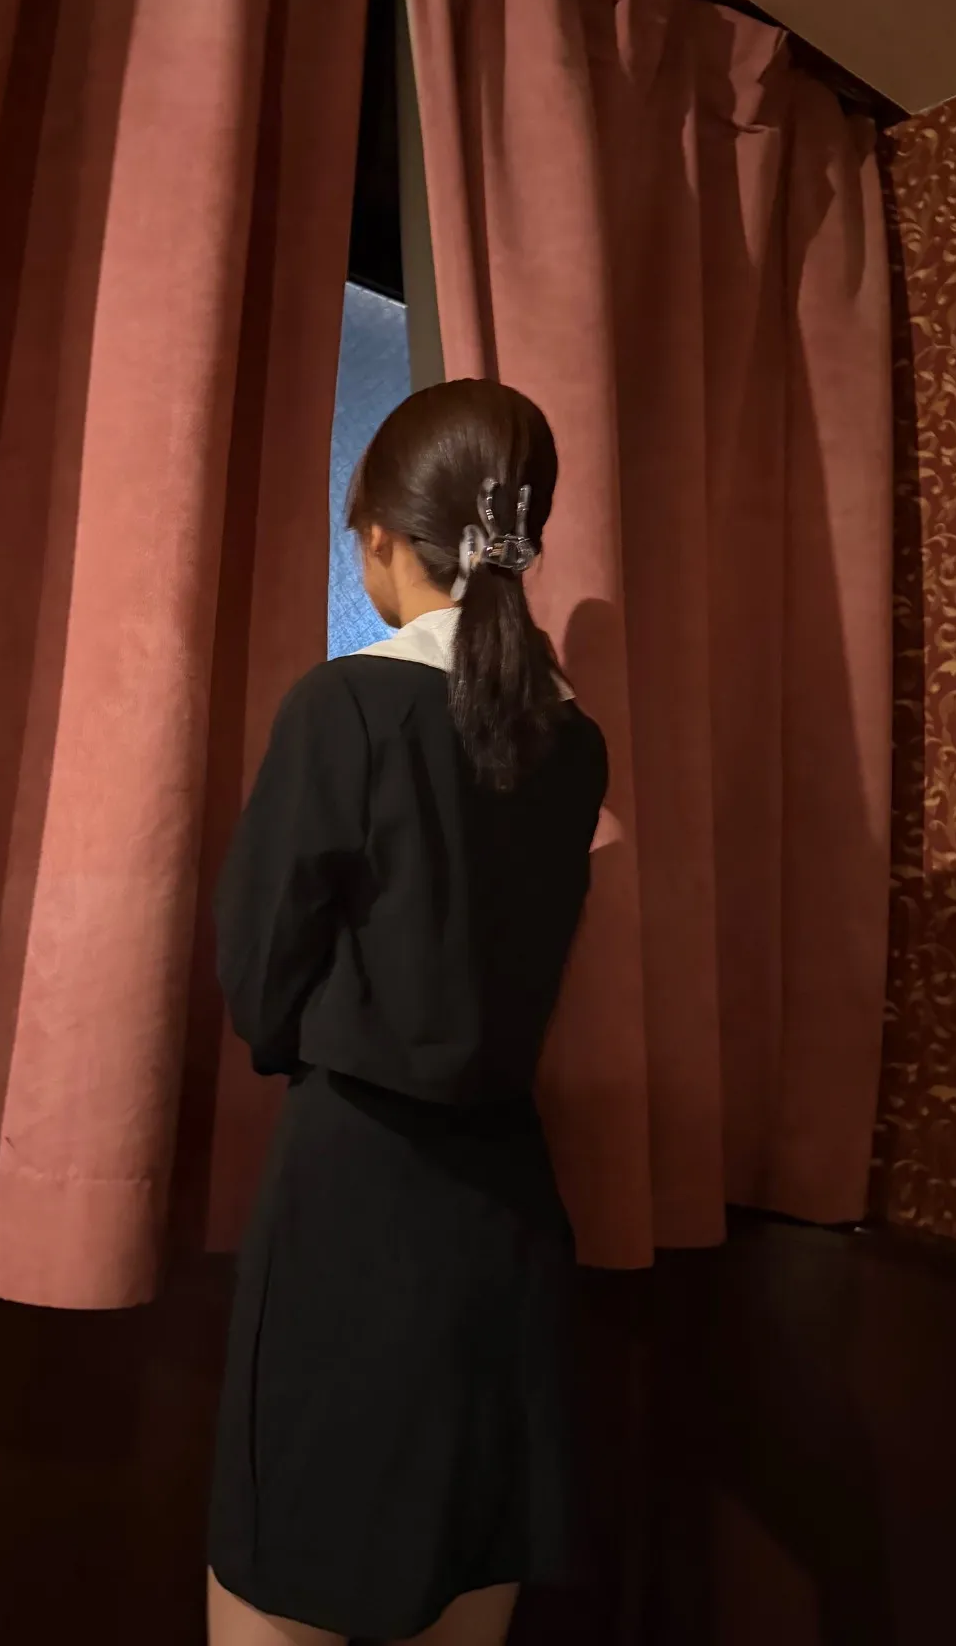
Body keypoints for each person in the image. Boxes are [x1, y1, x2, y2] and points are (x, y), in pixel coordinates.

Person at [205, 379, 609, 1646]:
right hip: (509, 1203)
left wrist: (318, 1041)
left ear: (382, 535)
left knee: (289, 1559)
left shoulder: (344, 707)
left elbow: (259, 976)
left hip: (355, 1193)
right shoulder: (576, 742)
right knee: (468, 1554)